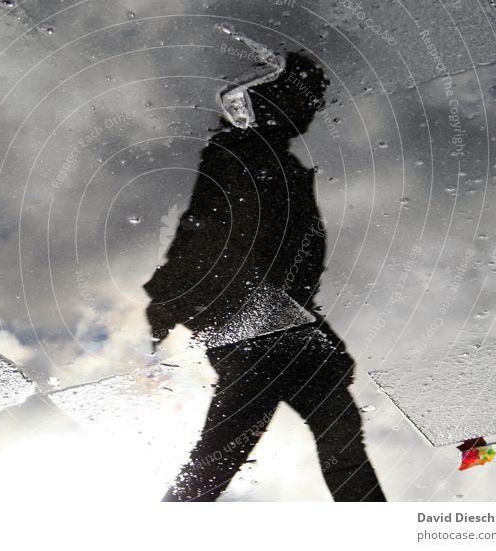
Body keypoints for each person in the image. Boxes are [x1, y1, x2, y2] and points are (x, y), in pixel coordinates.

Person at [144, 49, 386, 501]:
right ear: (270, 98)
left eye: (312, 101)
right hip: (258, 327)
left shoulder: (273, 161)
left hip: (280, 326)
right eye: (303, 99)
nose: (309, 112)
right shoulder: (241, 153)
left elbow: (270, 261)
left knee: (331, 441)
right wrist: (168, 296)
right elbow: (203, 227)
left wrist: (319, 336)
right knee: (222, 456)